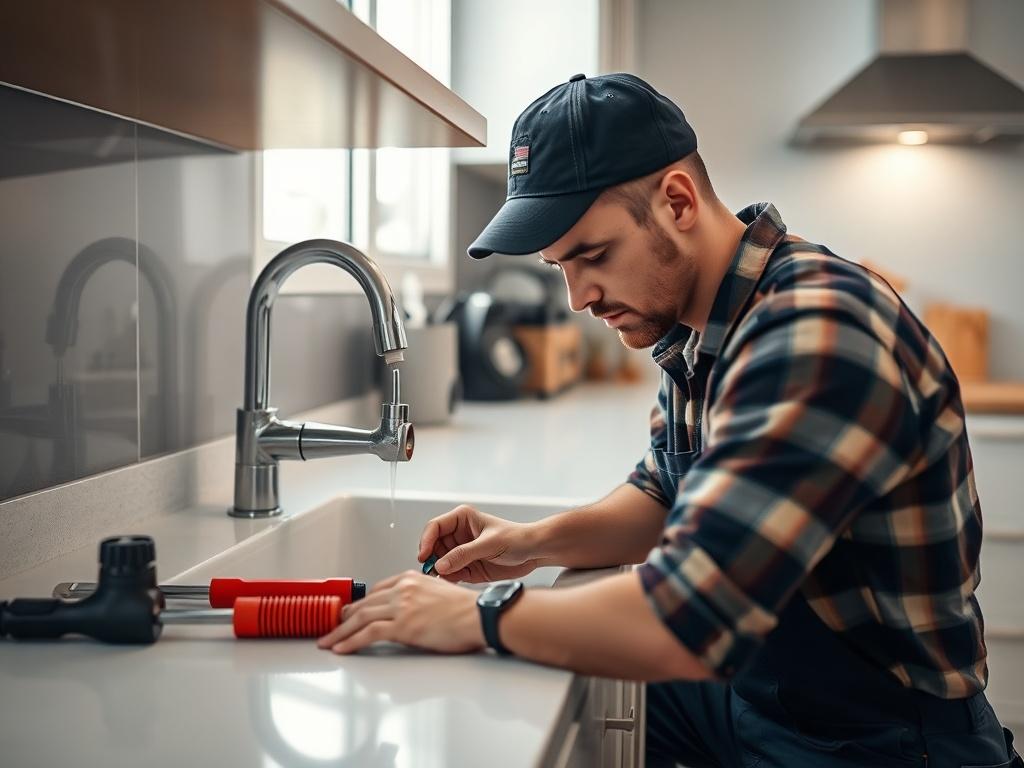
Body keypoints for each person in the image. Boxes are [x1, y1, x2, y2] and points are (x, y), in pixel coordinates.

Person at [316, 73, 1022, 767]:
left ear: (678, 201)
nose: (578, 297)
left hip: (882, 737)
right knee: (534, 709)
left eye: (592, 256)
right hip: (763, 696)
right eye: (560, 265)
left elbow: (693, 617)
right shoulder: (702, 325)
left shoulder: (813, 331)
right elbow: (663, 490)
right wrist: (536, 543)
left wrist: (482, 617)